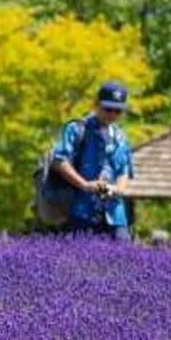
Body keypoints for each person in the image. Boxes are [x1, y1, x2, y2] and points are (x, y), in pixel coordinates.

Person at [49, 80, 135, 240]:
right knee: (80, 263)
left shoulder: (121, 137)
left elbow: (124, 171)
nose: (113, 114)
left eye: (118, 111)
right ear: (96, 104)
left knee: (124, 262)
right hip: (82, 211)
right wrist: (86, 185)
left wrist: (116, 189)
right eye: (108, 109)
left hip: (115, 216)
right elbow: (59, 161)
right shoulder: (77, 129)